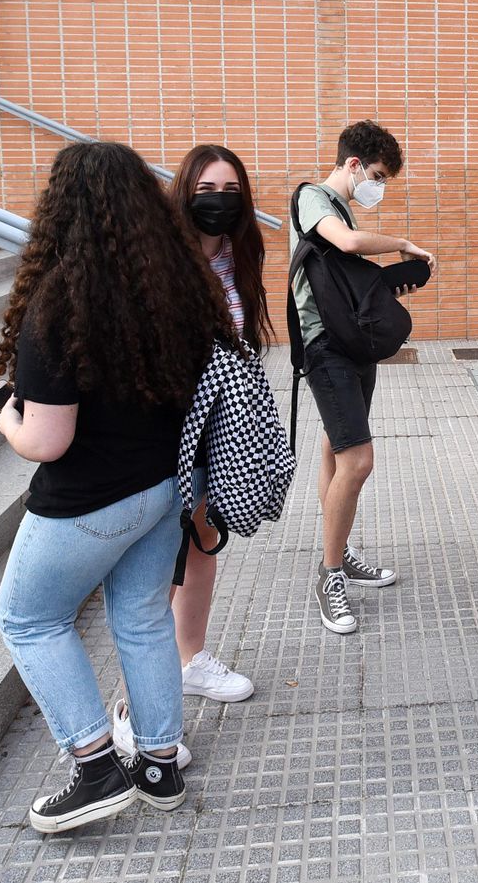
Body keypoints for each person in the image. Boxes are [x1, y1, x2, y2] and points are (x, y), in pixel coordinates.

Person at [0, 142, 234, 834]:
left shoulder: (59, 302)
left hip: (88, 502)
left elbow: (47, 440)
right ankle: (159, 765)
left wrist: (8, 419)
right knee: (144, 618)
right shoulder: (178, 290)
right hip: (161, 490)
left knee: (28, 618)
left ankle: (96, 767)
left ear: (59, 210)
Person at [110, 145, 272, 764]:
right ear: (184, 191)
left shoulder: (239, 255)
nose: (219, 197)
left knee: (204, 545)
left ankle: (191, 658)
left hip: (220, 430)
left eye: (231, 187)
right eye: (207, 186)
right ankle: (131, 705)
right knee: (157, 569)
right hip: (170, 433)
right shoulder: (162, 261)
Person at [290, 120, 435, 635]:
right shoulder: (312, 198)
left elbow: (346, 278)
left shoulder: (341, 207)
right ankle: (330, 575)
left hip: (351, 343)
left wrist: (387, 289)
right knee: (359, 458)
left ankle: (341, 551)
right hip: (324, 347)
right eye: (375, 174)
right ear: (353, 164)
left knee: (336, 447)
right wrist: (402, 243)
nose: (377, 185)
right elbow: (348, 244)